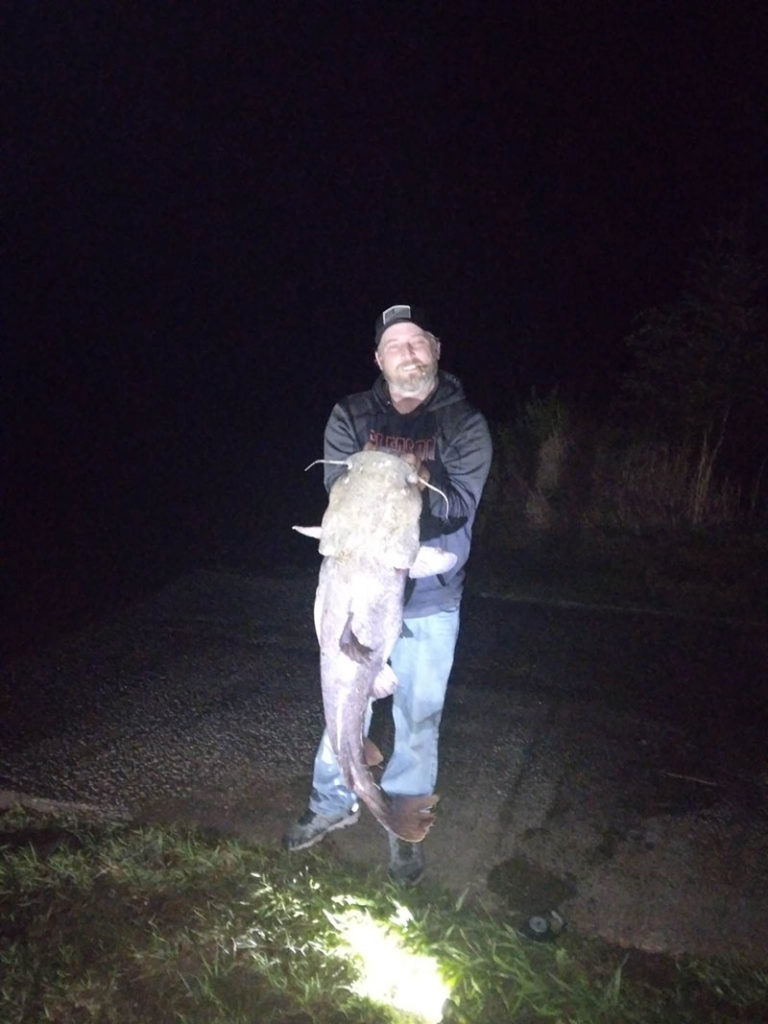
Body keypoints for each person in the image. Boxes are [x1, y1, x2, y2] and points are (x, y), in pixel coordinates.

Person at [283, 304, 492, 886]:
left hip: (431, 600)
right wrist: (390, 493)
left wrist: (404, 507)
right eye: (394, 344)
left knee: (418, 719)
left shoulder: (465, 424)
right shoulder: (350, 413)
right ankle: (330, 803)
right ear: (379, 357)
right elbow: (340, 493)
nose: (407, 352)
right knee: (343, 709)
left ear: (434, 348)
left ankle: (399, 821)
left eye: (417, 341)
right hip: (351, 603)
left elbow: (457, 512)